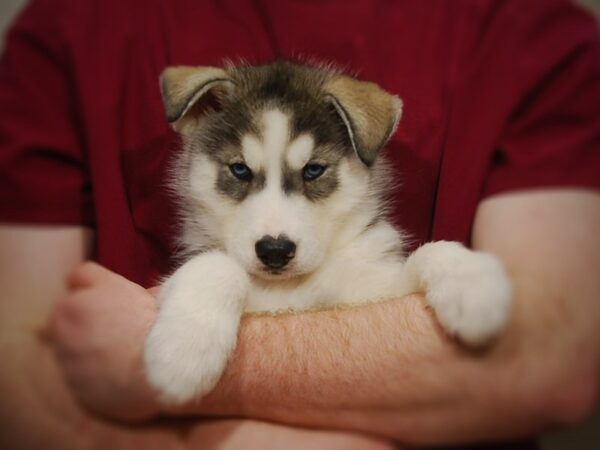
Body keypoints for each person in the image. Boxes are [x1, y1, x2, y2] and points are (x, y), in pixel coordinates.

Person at [1, 0, 599, 449]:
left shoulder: (525, 28)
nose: (275, 228)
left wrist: (439, 262)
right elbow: (20, 376)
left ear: (364, 158)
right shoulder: (70, 26)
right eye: (239, 171)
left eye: (314, 172)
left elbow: (556, 361)